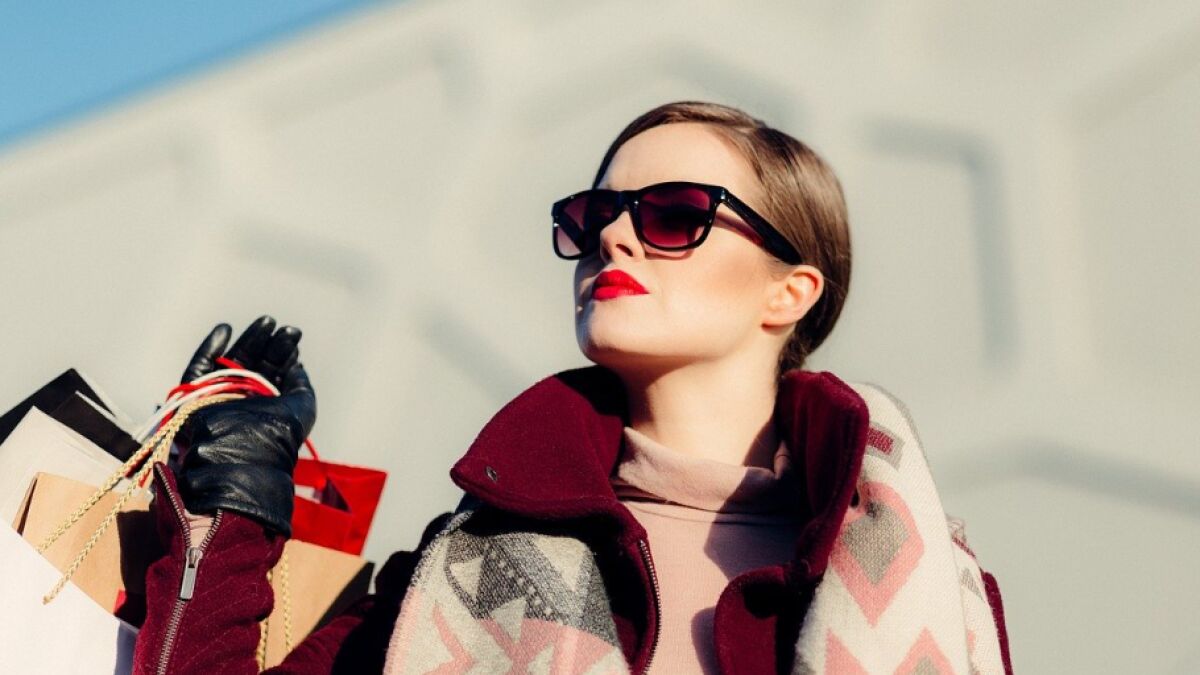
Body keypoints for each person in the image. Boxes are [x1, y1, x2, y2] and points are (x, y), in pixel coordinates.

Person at [132, 102, 1012, 674]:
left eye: (675, 214)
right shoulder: (464, 567)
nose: (614, 239)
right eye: (594, 218)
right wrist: (233, 501)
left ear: (790, 292)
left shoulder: (927, 581)